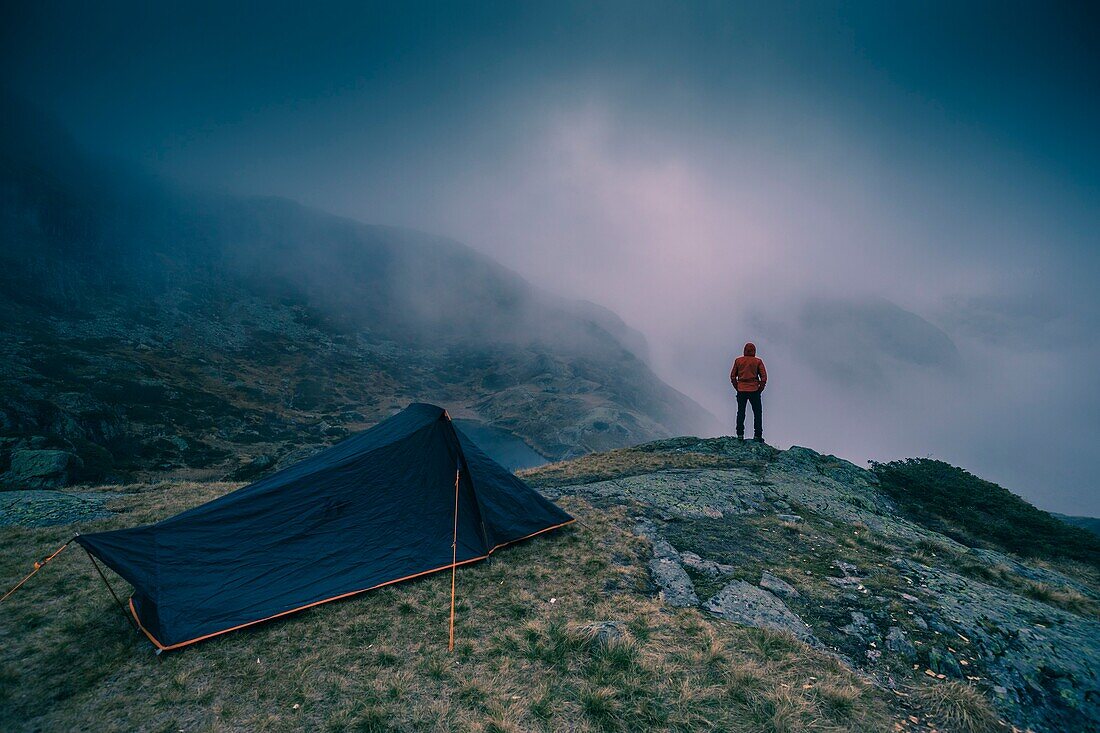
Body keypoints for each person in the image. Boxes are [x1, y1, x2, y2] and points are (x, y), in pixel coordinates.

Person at [730, 342, 767, 442]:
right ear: (754, 351)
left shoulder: (738, 361)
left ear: (744, 350)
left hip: (741, 389)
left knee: (741, 412)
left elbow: (733, 376)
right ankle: (757, 435)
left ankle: (740, 434)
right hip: (754, 389)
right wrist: (760, 389)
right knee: (757, 413)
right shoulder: (758, 361)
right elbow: (764, 377)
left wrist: (737, 386)